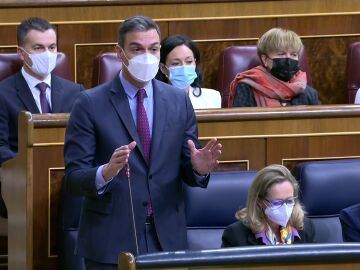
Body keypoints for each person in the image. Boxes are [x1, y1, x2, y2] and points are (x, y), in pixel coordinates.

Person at [64, 15, 222, 269]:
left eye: (153, 49)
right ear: (120, 53)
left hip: (167, 240)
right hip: (110, 241)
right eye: (137, 49)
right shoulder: (89, 103)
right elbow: (73, 178)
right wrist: (104, 173)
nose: (146, 56)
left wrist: (198, 168)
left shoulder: (178, 101)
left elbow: (186, 167)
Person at [0, 17, 84, 217]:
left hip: (68, 180)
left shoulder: (76, 92)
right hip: (20, 183)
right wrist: (32, 168)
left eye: (52, 47)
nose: (47, 54)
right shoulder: (3, 94)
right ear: (21, 53)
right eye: (38, 48)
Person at [222, 164, 315, 247]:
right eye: (278, 202)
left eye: (289, 201)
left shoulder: (306, 228)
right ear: (259, 201)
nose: (285, 208)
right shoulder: (235, 235)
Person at [228, 28, 320, 107]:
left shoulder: (308, 93)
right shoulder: (246, 88)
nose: (288, 59)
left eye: (293, 54)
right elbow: (241, 126)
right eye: (281, 54)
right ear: (265, 59)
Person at [156, 35, 221, 109]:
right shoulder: (153, 101)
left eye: (189, 61)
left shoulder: (212, 98)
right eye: (176, 63)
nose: (184, 67)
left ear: (195, 63)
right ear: (163, 68)